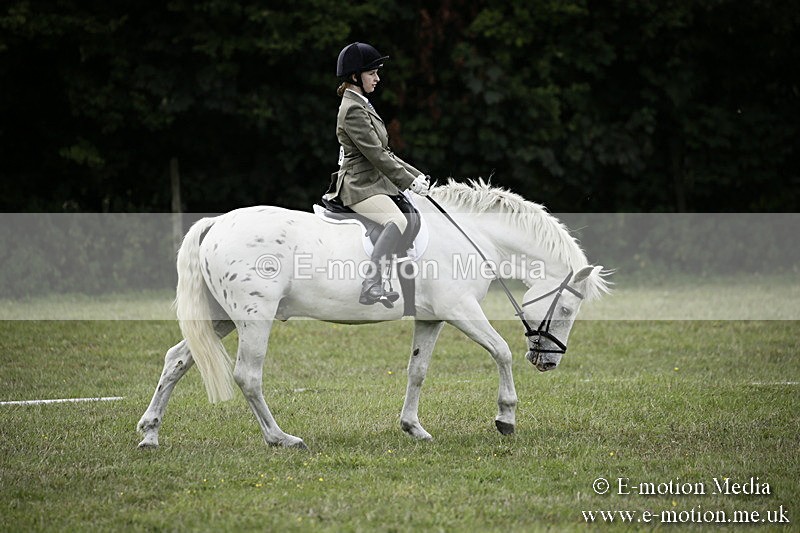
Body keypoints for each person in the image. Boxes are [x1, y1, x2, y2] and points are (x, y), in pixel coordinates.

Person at [326, 42, 430, 308]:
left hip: (374, 182)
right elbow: (376, 155)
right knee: (397, 220)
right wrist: (407, 181)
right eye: (372, 73)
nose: (377, 78)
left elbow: (386, 152)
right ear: (355, 76)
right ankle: (371, 284)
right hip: (358, 185)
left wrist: (416, 175)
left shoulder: (362, 105)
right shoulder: (351, 110)